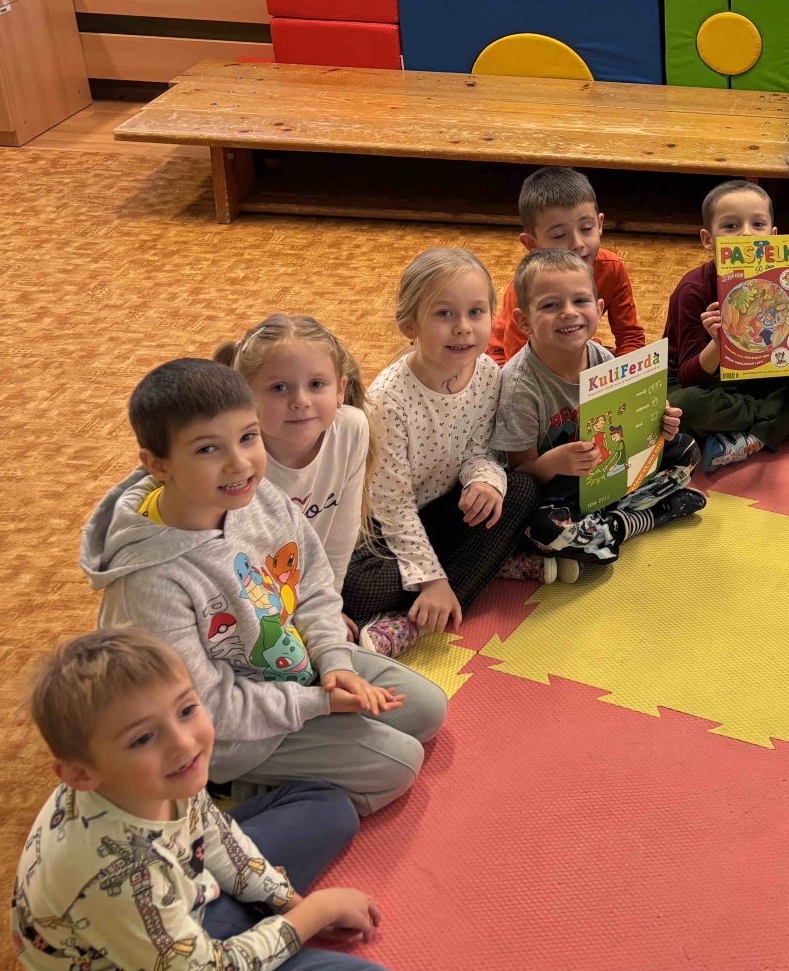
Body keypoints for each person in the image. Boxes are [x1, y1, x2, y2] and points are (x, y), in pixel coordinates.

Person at [82, 360, 447, 816]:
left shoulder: (258, 495)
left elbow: (312, 586)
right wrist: (318, 703)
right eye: (207, 449)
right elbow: (206, 707)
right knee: (399, 764)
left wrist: (333, 661)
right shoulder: (151, 583)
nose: (239, 463)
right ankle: (232, 786)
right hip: (228, 732)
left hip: (289, 668)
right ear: (159, 465)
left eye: (248, 437)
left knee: (427, 711)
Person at [13, 628, 392, 971]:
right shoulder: (114, 872)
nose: (184, 742)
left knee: (330, 807)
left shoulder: (159, 777)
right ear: (80, 774)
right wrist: (315, 914)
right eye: (142, 738)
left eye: (186, 709)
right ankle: (247, 934)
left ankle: (247, 930)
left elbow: (218, 839)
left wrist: (291, 905)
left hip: (186, 896)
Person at [350, 249, 540, 660]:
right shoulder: (387, 400)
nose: (463, 328)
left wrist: (485, 480)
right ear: (410, 325)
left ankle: (409, 624)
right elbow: (392, 505)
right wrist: (431, 579)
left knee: (521, 488)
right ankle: (482, 566)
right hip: (387, 527)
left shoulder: (488, 373)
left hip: (442, 511)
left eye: (475, 312)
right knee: (358, 590)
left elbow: (480, 450)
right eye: (444, 314)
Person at [493, 248, 704, 568]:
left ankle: (610, 525)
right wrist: (554, 463)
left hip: (608, 472)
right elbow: (520, 474)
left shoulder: (603, 359)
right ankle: (639, 517)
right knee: (545, 530)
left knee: (687, 451)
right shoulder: (519, 387)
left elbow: (626, 429)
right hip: (557, 490)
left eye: (580, 301)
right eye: (550, 305)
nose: (569, 312)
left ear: (599, 308)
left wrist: (657, 424)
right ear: (524, 321)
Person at [665, 179, 789, 471]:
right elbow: (689, 378)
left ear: (773, 235)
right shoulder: (693, 290)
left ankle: (754, 435)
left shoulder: (784, 278)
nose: (746, 234)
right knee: (685, 406)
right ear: (707, 239)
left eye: (758, 224)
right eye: (731, 226)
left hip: (765, 372)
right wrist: (719, 343)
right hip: (710, 380)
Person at [216, 315, 381, 630]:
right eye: (279, 388)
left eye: (316, 385)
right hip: (251, 595)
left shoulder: (350, 428)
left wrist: (326, 610)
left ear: (340, 389)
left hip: (309, 581)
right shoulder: (235, 459)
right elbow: (234, 562)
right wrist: (286, 622)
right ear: (245, 398)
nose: (301, 401)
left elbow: (341, 534)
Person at [488, 167, 646, 364]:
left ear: (599, 225)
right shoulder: (524, 288)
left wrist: (625, 376)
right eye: (559, 235)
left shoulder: (611, 268)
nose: (577, 244)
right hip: (511, 361)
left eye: (586, 228)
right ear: (532, 244)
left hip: (570, 347)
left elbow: (630, 336)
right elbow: (521, 363)